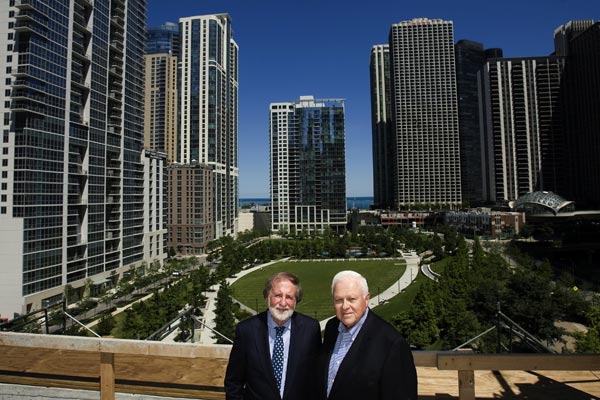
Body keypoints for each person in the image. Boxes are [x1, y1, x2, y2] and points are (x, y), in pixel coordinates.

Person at [319, 270, 418, 400]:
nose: (345, 306)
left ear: (366, 299)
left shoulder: (391, 343)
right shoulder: (332, 327)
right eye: (338, 300)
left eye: (351, 299)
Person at [224, 272, 321, 400]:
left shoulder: (311, 329)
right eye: (278, 295)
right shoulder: (246, 331)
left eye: (289, 297)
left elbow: (316, 378)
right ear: (267, 297)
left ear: (296, 301)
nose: (283, 303)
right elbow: (233, 382)